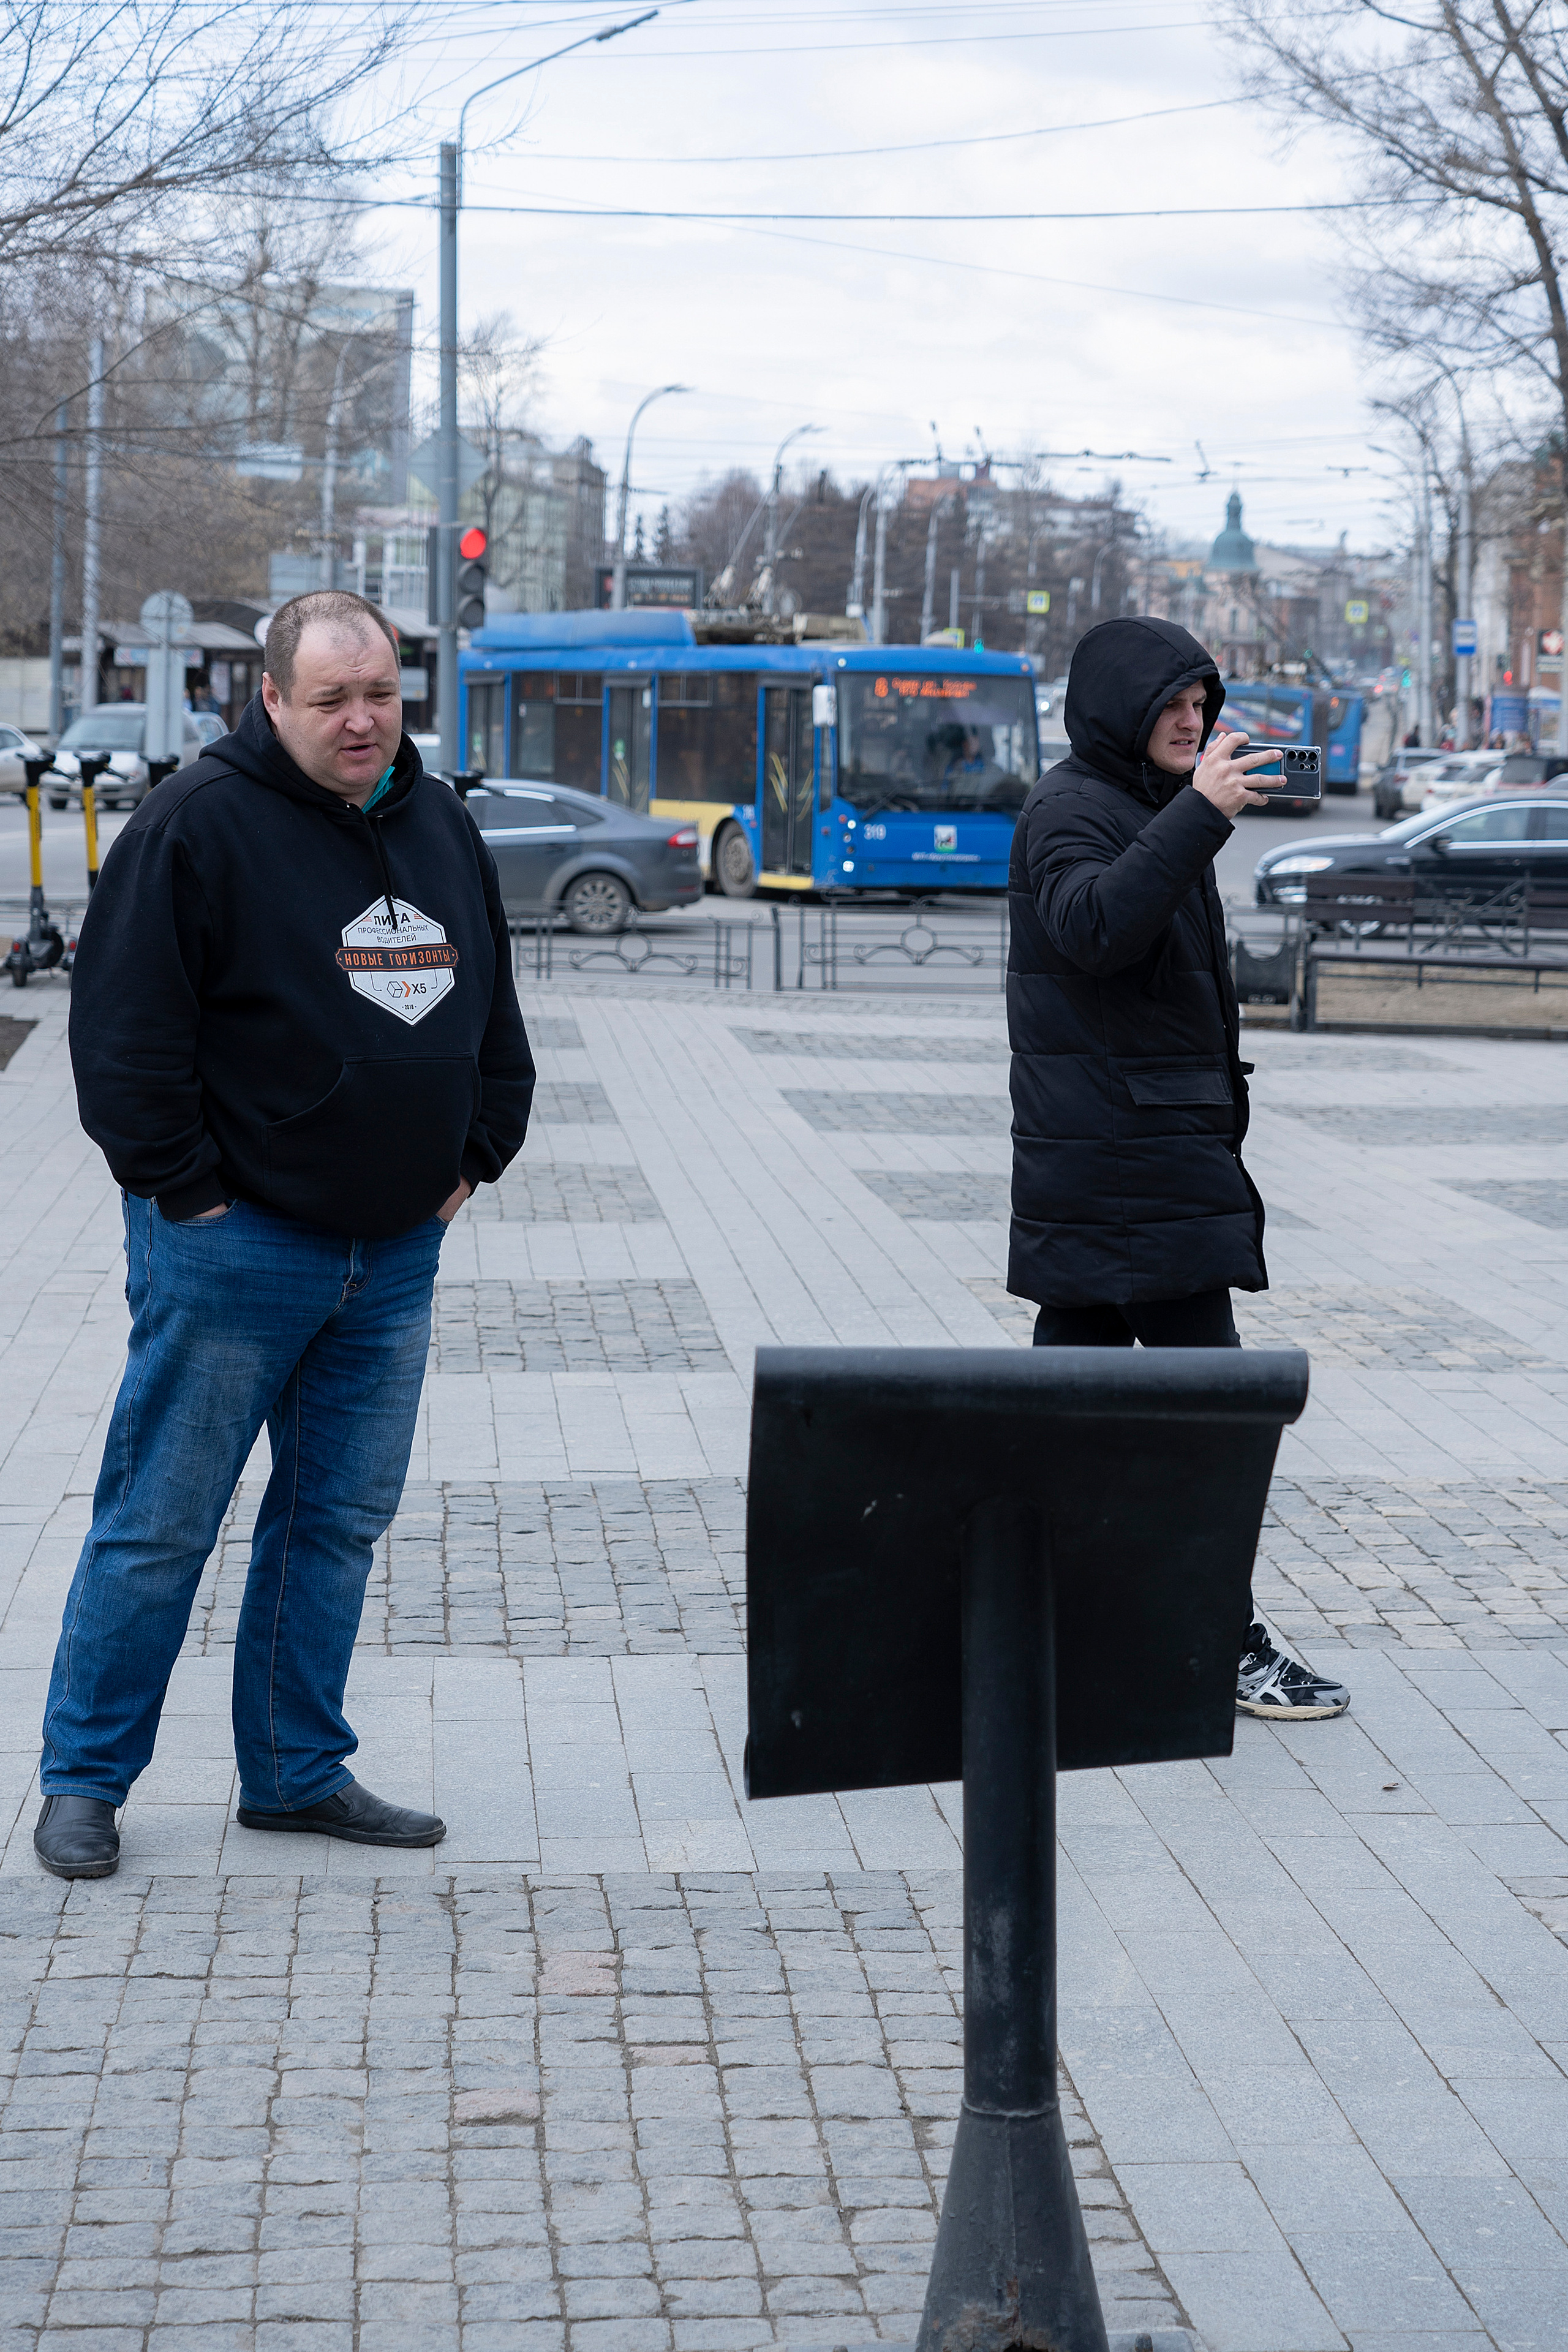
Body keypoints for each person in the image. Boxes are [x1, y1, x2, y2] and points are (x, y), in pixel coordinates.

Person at [34, 589, 536, 1879]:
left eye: (379, 695)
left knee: (332, 1525)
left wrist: (478, 1149)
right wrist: (185, 1191)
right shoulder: (193, 826)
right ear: (268, 699)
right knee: (160, 1523)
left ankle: (296, 1771)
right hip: (233, 1249)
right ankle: (84, 1780)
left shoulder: (436, 823)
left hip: (394, 1260)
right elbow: (123, 1037)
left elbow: (489, 1005)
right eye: (331, 701)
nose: (362, 721)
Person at [1007, 615, 1349, 1722]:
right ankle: (1215, 1636)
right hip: (1126, 1174)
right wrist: (1202, 813)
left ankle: (1031, 1624)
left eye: (1203, 703)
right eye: (1172, 704)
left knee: (1071, 1422)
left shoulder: (1145, 809)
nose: (1194, 720)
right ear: (1118, 708)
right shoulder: (1070, 810)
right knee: (1217, 1425)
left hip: (1139, 1164)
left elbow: (1152, 967)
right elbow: (1094, 927)